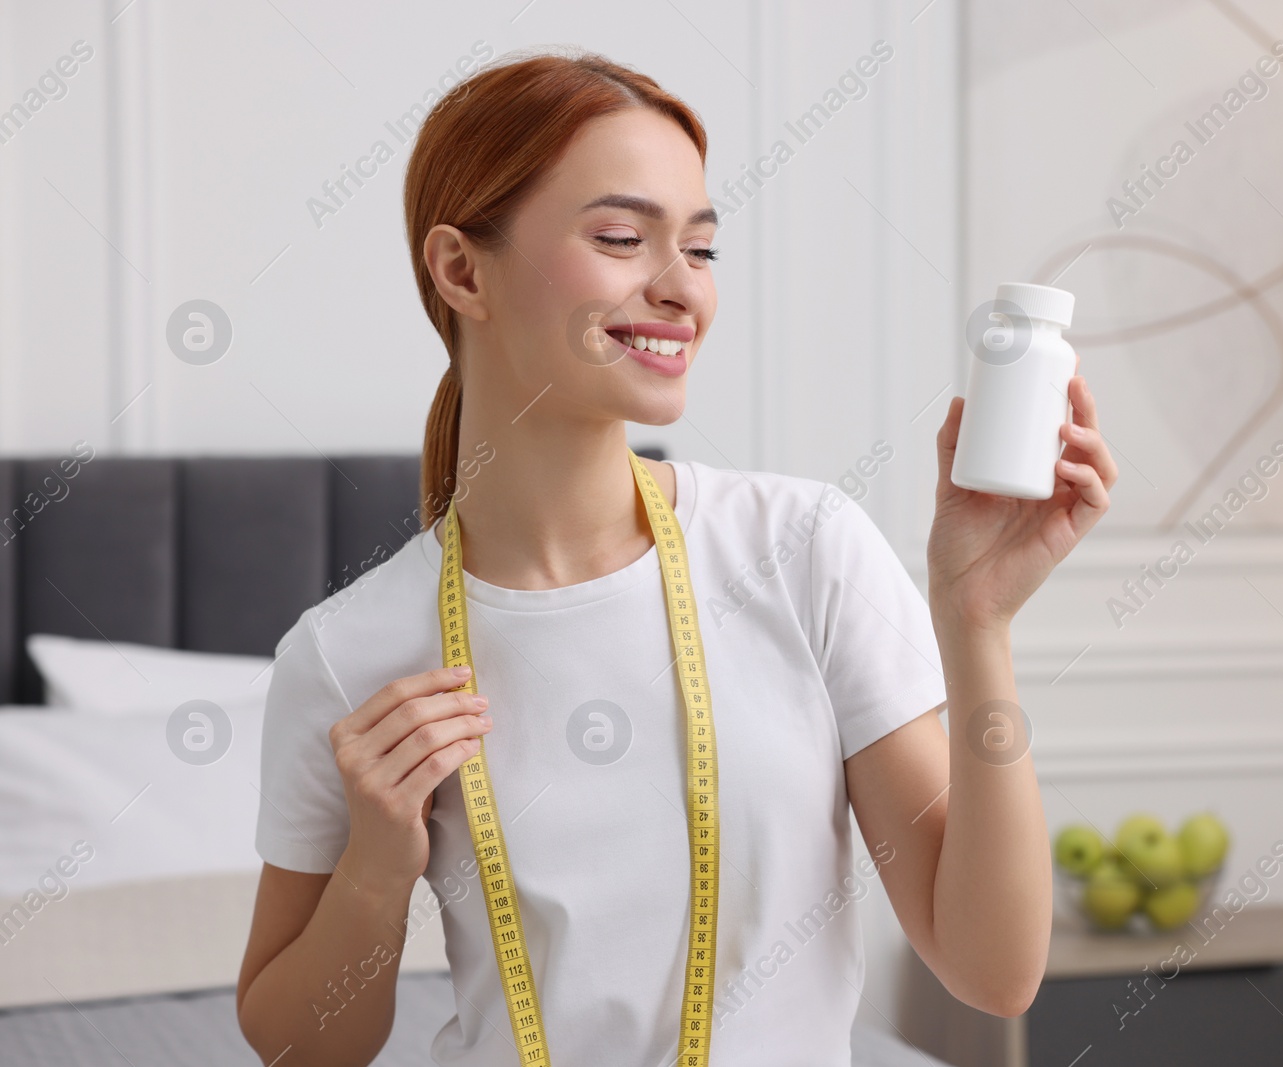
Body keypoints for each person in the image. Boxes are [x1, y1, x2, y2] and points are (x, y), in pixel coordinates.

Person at [236, 48, 1116, 1067]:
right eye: (620, 237)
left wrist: (977, 622)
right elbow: (298, 1049)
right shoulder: (349, 654)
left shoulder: (801, 549)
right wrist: (377, 868)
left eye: (699, 250)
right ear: (461, 269)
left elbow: (991, 970)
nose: (679, 290)